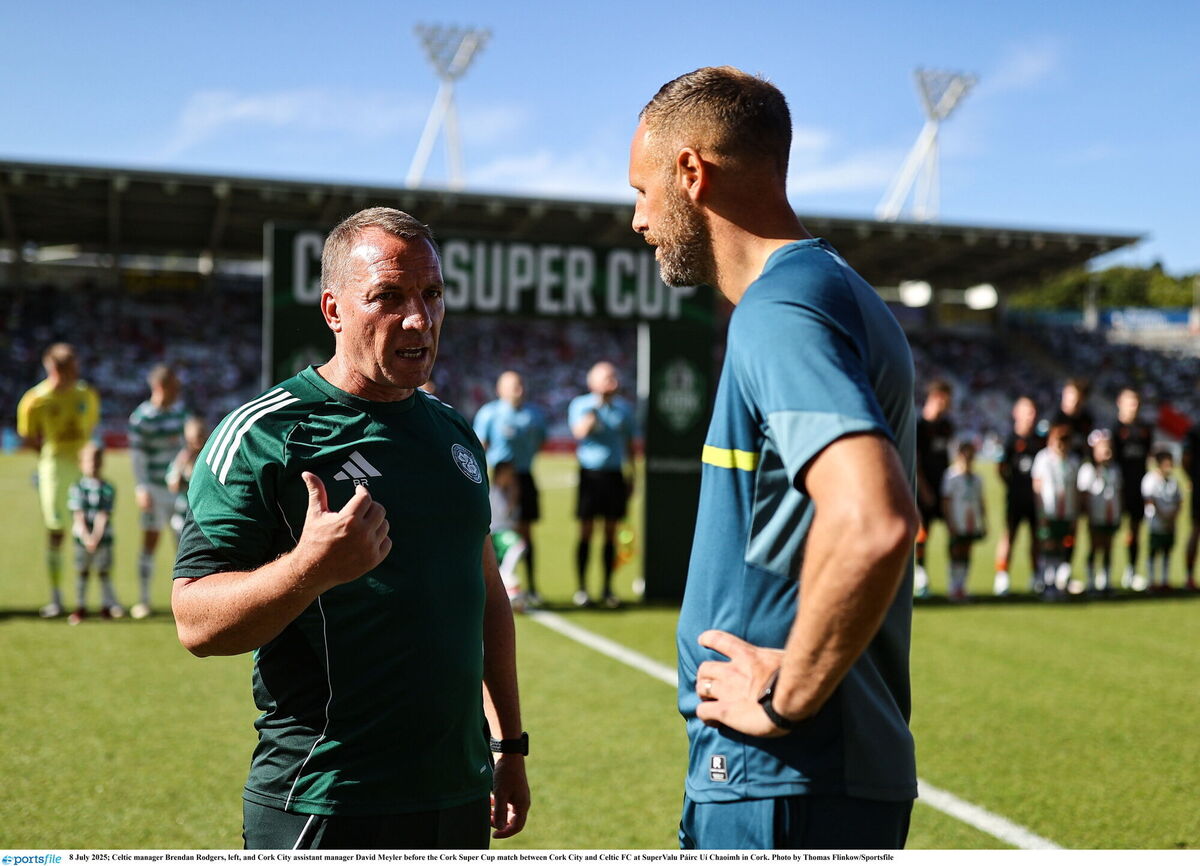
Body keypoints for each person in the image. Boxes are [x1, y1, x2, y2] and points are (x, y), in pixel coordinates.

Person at [171, 207, 529, 849]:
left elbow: (485, 593)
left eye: (431, 294)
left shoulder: (455, 435)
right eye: (388, 297)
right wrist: (311, 569)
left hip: (460, 796)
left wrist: (510, 745)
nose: (419, 318)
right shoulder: (264, 436)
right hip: (326, 801)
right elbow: (195, 622)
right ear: (334, 310)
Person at [630, 66, 919, 850]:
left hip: (784, 778)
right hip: (807, 779)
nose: (638, 218)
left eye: (643, 189)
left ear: (690, 173)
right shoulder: (831, 290)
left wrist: (784, 698)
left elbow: (875, 521)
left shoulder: (780, 308)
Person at [16, 343, 101, 618]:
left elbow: (89, 426)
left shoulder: (85, 393)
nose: (76, 373)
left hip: (83, 469)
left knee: (88, 531)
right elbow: (28, 437)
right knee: (57, 531)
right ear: (54, 369)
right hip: (53, 468)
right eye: (71, 369)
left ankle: (84, 599)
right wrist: (46, 462)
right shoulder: (35, 400)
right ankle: (55, 598)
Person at [473, 371, 548, 605]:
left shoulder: (534, 414)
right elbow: (478, 446)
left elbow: (540, 441)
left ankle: (532, 586)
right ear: (500, 389)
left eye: (521, 384)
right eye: (513, 385)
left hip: (525, 477)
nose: (519, 389)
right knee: (498, 533)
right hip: (500, 479)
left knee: (527, 533)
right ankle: (495, 585)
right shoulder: (490, 413)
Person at [568, 361, 636, 609]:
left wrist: (633, 475)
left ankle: (608, 588)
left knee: (611, 532)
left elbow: (629, 444)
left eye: (614, 377)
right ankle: (582, 588)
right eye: (607, 378)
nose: (613, 382)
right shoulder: (581, 405)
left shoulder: (624, 410)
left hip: (614, 474)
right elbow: (579, 432)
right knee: (586, 531)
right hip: (590, 475)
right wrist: (597, 406)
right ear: (593, 382)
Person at [128, 364, 192, 619]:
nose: (178, 392)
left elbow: (190, 447)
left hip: (179, 491)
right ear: (160, 387)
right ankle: (143, 600)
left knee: (184, 545)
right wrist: (141, 487)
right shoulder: (142, 417)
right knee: (150, 541)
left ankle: (186, 603)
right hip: (154, 488)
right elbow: (137, 457)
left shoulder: (182, 414)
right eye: (174, 387)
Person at [66, 442, 123, 624]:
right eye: (89, 460)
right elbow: (78, 515)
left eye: (97, 460)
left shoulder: (108, 487)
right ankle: (80, 606)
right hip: (81, 539)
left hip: (103, 539)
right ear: (81, 463)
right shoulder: (77, 487)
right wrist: (86, 536)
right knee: (82, 571)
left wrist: (96, 537)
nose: (93, 464)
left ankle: (106, 606)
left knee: (103, 571)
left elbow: (103, 514)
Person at [994, 396, 1044, 595]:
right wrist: (1010, 484)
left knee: (1036, 538)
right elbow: (1000, 468)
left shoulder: (1040, 440)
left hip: (1035, 500)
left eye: (1032, 412)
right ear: (1016, 413)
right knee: (1009, 536)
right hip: (1015, 498)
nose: (1030, 416)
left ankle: (1036, 576)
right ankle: (1002, 576)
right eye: (1026, 411)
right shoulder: (1010, 440)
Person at [1031, 421, 1081, 598]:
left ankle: (1059, 582)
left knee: (1062, 546)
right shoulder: (1043, 459)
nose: (1061, 444)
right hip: (1049, 510)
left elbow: (1075, 488)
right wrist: (1041, 513)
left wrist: (1075, 514)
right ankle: (1046, 581)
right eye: (1058, 440)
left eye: (1065, 440)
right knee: (1048, 545)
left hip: (1066, 511)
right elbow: (1037, 487)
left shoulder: (1073, 461)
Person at [914, 380, 954, 597]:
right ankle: (921, 577)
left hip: (945, 489)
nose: (950, 404)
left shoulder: (947, 426)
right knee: (922, 534)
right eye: (947, 399)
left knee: (953, 532)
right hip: (925, 490)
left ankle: (955, 580)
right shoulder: (919, 426)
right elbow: (915, 461)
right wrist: (924, 489)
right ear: (937, 397)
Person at [1112, 388, 1153, 590]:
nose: (1133, 406)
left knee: (1135, 531)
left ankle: (1131, 570)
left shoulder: (1145, 430)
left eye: (1136, 402)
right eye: (1129, 402)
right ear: (1120, 403)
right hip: (1117, 488)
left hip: (1138, 489)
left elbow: (1148, 457)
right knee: (1108, 531)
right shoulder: (1114, 429)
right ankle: (1104, 573)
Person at [1077, 429, 1122, 594]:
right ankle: (1090, 580)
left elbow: (1119, 492)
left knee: (1109, 547)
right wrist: (1087, 514)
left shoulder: (1114, 469)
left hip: (1111, 515)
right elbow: (1084, 495)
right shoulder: (1088, 470)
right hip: (1096, 515)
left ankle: (1105, 580)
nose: (1106, 452)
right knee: (1095, 546)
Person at [941, 441, 985, 602]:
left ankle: (962, 585)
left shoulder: (976, 478)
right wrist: (949, 522)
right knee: (955, 551)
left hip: (971, 520)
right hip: (958, 519)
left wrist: (984, 521)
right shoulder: (951, 476)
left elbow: (981, 501)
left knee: (967, 551)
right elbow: (946, 501)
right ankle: (953, 586)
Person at [488, 460, 529, 611]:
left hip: (505, 532)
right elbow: (504, 515)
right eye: (509, 474)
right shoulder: (493, 492)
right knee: (518, 545)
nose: (511, 477)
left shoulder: (506, 492)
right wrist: (513, 498)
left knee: (518, 545)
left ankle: (506, 581)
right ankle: (506, 577)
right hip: (497, 534)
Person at [1141, 450, 1182, 593]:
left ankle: (1165, 580)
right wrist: (1163, 516)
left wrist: (1172, 517)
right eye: (1166, 464)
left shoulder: (1173, 482)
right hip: (1156, 522)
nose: (1169, 467)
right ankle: (1152, 580)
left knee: (1167, 550)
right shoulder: (1150, 479)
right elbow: (1150, 500)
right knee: (1154, 550)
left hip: (1170, 522)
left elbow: (1179, 501)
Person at [166, 416, 209, 537]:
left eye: (201, 437)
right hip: (184, 513)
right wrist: (182, 464)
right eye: (194, 440)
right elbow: (173, 486)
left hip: (205, 512)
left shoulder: (210, 456)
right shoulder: (182, 458)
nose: (198, 443)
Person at [1051, 378, 1094, 461]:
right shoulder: (1054, 416)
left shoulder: (1086, 421)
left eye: (1077, 400)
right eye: (1070, 398)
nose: (1073, 403)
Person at [1181, 422, 1200, 591]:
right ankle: (1189, 577)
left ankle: (1189, 577)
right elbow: (1185, 460)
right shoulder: (1194, 430)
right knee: (1195, 531)